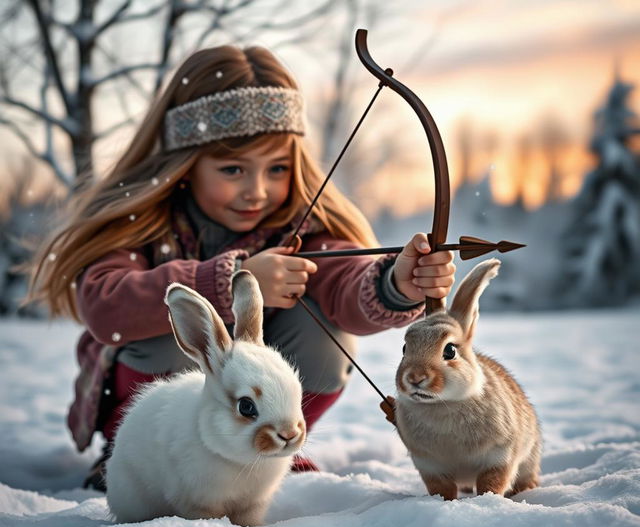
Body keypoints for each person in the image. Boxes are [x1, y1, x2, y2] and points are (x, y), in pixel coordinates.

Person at [28, 45, 456, 491]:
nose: (256, 191)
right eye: (233, 169)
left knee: (326, 338)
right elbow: (107, 306)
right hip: (151, 425)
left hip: (252, 417)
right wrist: (232, 279)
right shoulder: (146, 223)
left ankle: (270, 447)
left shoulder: (300, 224)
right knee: (170, 336)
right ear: (187, 165)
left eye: (276, 169)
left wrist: (395, 284)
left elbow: (345, 282)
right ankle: (132, 454)